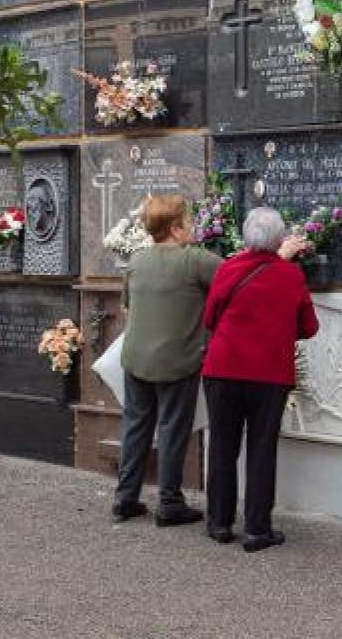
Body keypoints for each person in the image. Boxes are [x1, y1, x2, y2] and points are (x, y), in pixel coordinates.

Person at [201, 207, 317, 552]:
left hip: (223, 370)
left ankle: (220, 523)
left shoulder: (228, 269)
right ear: (281, 240)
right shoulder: (291, 276)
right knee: (261, 449)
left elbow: (210, 319)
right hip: (268, 374)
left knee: (222, 446)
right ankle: (256, 529)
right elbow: (309, 327)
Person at [113, 195, 223, 526]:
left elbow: (127, 308)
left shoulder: (137, 260)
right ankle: (169, 503)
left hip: (135, 357)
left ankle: (125, 498)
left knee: (135, 428)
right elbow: (236, 281)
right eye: (188, 222)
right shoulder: (197, 261)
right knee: (173, 430)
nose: (192, 228)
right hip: (177, 361)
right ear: (175, 229)